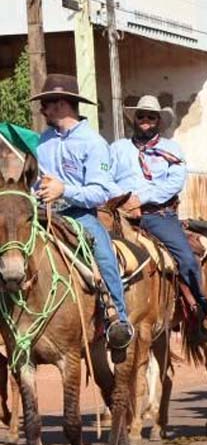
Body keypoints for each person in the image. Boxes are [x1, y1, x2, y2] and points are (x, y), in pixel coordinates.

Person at [32, 74, 133, 350]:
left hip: (79, 215)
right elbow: (36, 182)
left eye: (48, 103)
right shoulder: (44, 140)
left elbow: (100, 192)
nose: (43, 109)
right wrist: (34, 193)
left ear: (63, 104)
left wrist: (64, 190)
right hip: (42, 214)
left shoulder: (93, 143)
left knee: (104, 254)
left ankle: (118, 320)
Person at [111, 94, 207, 343]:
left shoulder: (172, 149)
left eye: (151, 116)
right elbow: (106, 179)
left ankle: (198, 310)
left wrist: (142, 199)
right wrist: (123, 200)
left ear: (158, 121)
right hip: (122, 215)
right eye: (141, 116)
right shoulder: (117, 149)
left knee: (187, 259)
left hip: (159, 215)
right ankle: (105, 312)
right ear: (134, 119)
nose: (146, 120)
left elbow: (174, 182)